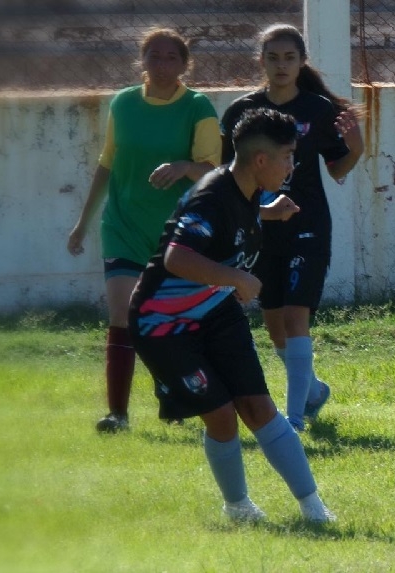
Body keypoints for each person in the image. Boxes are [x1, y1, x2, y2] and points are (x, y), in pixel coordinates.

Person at [128, 107, 336, 523]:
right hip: (163, 324)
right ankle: (238, 507)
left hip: (215, 311)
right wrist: (236, 278)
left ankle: (315, 510)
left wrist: (269, 212)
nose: (292, 166)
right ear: (260, 160)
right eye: (287, 156)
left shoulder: (247, 187)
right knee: (222, 416)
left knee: (260, 408)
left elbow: (239, 215)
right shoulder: (211, 196)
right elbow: (176, 257)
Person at [67, 28, 221, 433]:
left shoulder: (197, 107)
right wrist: (83, 222)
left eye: (172, 57)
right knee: (123, 314)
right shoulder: (123, 103)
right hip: (123, 226)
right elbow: (107, 162)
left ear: (185, 64)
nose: (162, 64)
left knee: (169, 320)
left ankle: (175, 394)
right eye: (154, 55)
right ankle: (117, 414)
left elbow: (213, 171)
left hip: (176, 234)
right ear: (142, 60)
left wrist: (184, 167)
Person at [220, 24, 365, 432]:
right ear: (261, 61)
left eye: (289, 58)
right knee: (275, 325)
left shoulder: (318, 110)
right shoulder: (242, 111)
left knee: (295, 316)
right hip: (262, 229)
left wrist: (356, 149)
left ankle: (295, 419)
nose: (281, 65)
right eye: (273, 57)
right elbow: (227, 174)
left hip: (308, 226)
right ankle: (313, 391)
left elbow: (337, 168)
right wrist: (252, 211)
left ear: (302, 62)